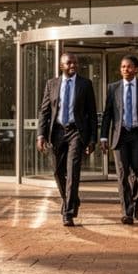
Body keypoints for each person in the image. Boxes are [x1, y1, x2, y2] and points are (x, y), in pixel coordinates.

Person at [37, 52, 97, 227]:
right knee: (57, 171)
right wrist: (41, 134)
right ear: (61, 66)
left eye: (75, 62)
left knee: (72, 171)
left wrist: (92, 139)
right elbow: (45, 111)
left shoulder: (85, 84)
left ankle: (68, 212)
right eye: (69, 63)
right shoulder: (51, 84)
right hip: (56, 132)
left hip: (76, 133)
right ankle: (71, 199)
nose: (73, 65)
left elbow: (92, 114)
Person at [100, 54, 138, 225]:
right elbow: (107, 115)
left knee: (137, 173)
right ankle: (126, 211)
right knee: (122, 173)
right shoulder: (113, 88)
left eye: (129, 66)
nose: (125, 69)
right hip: (120, 136)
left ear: (136, 69)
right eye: (123, 67)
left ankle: (135, 204)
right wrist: (104, 136)